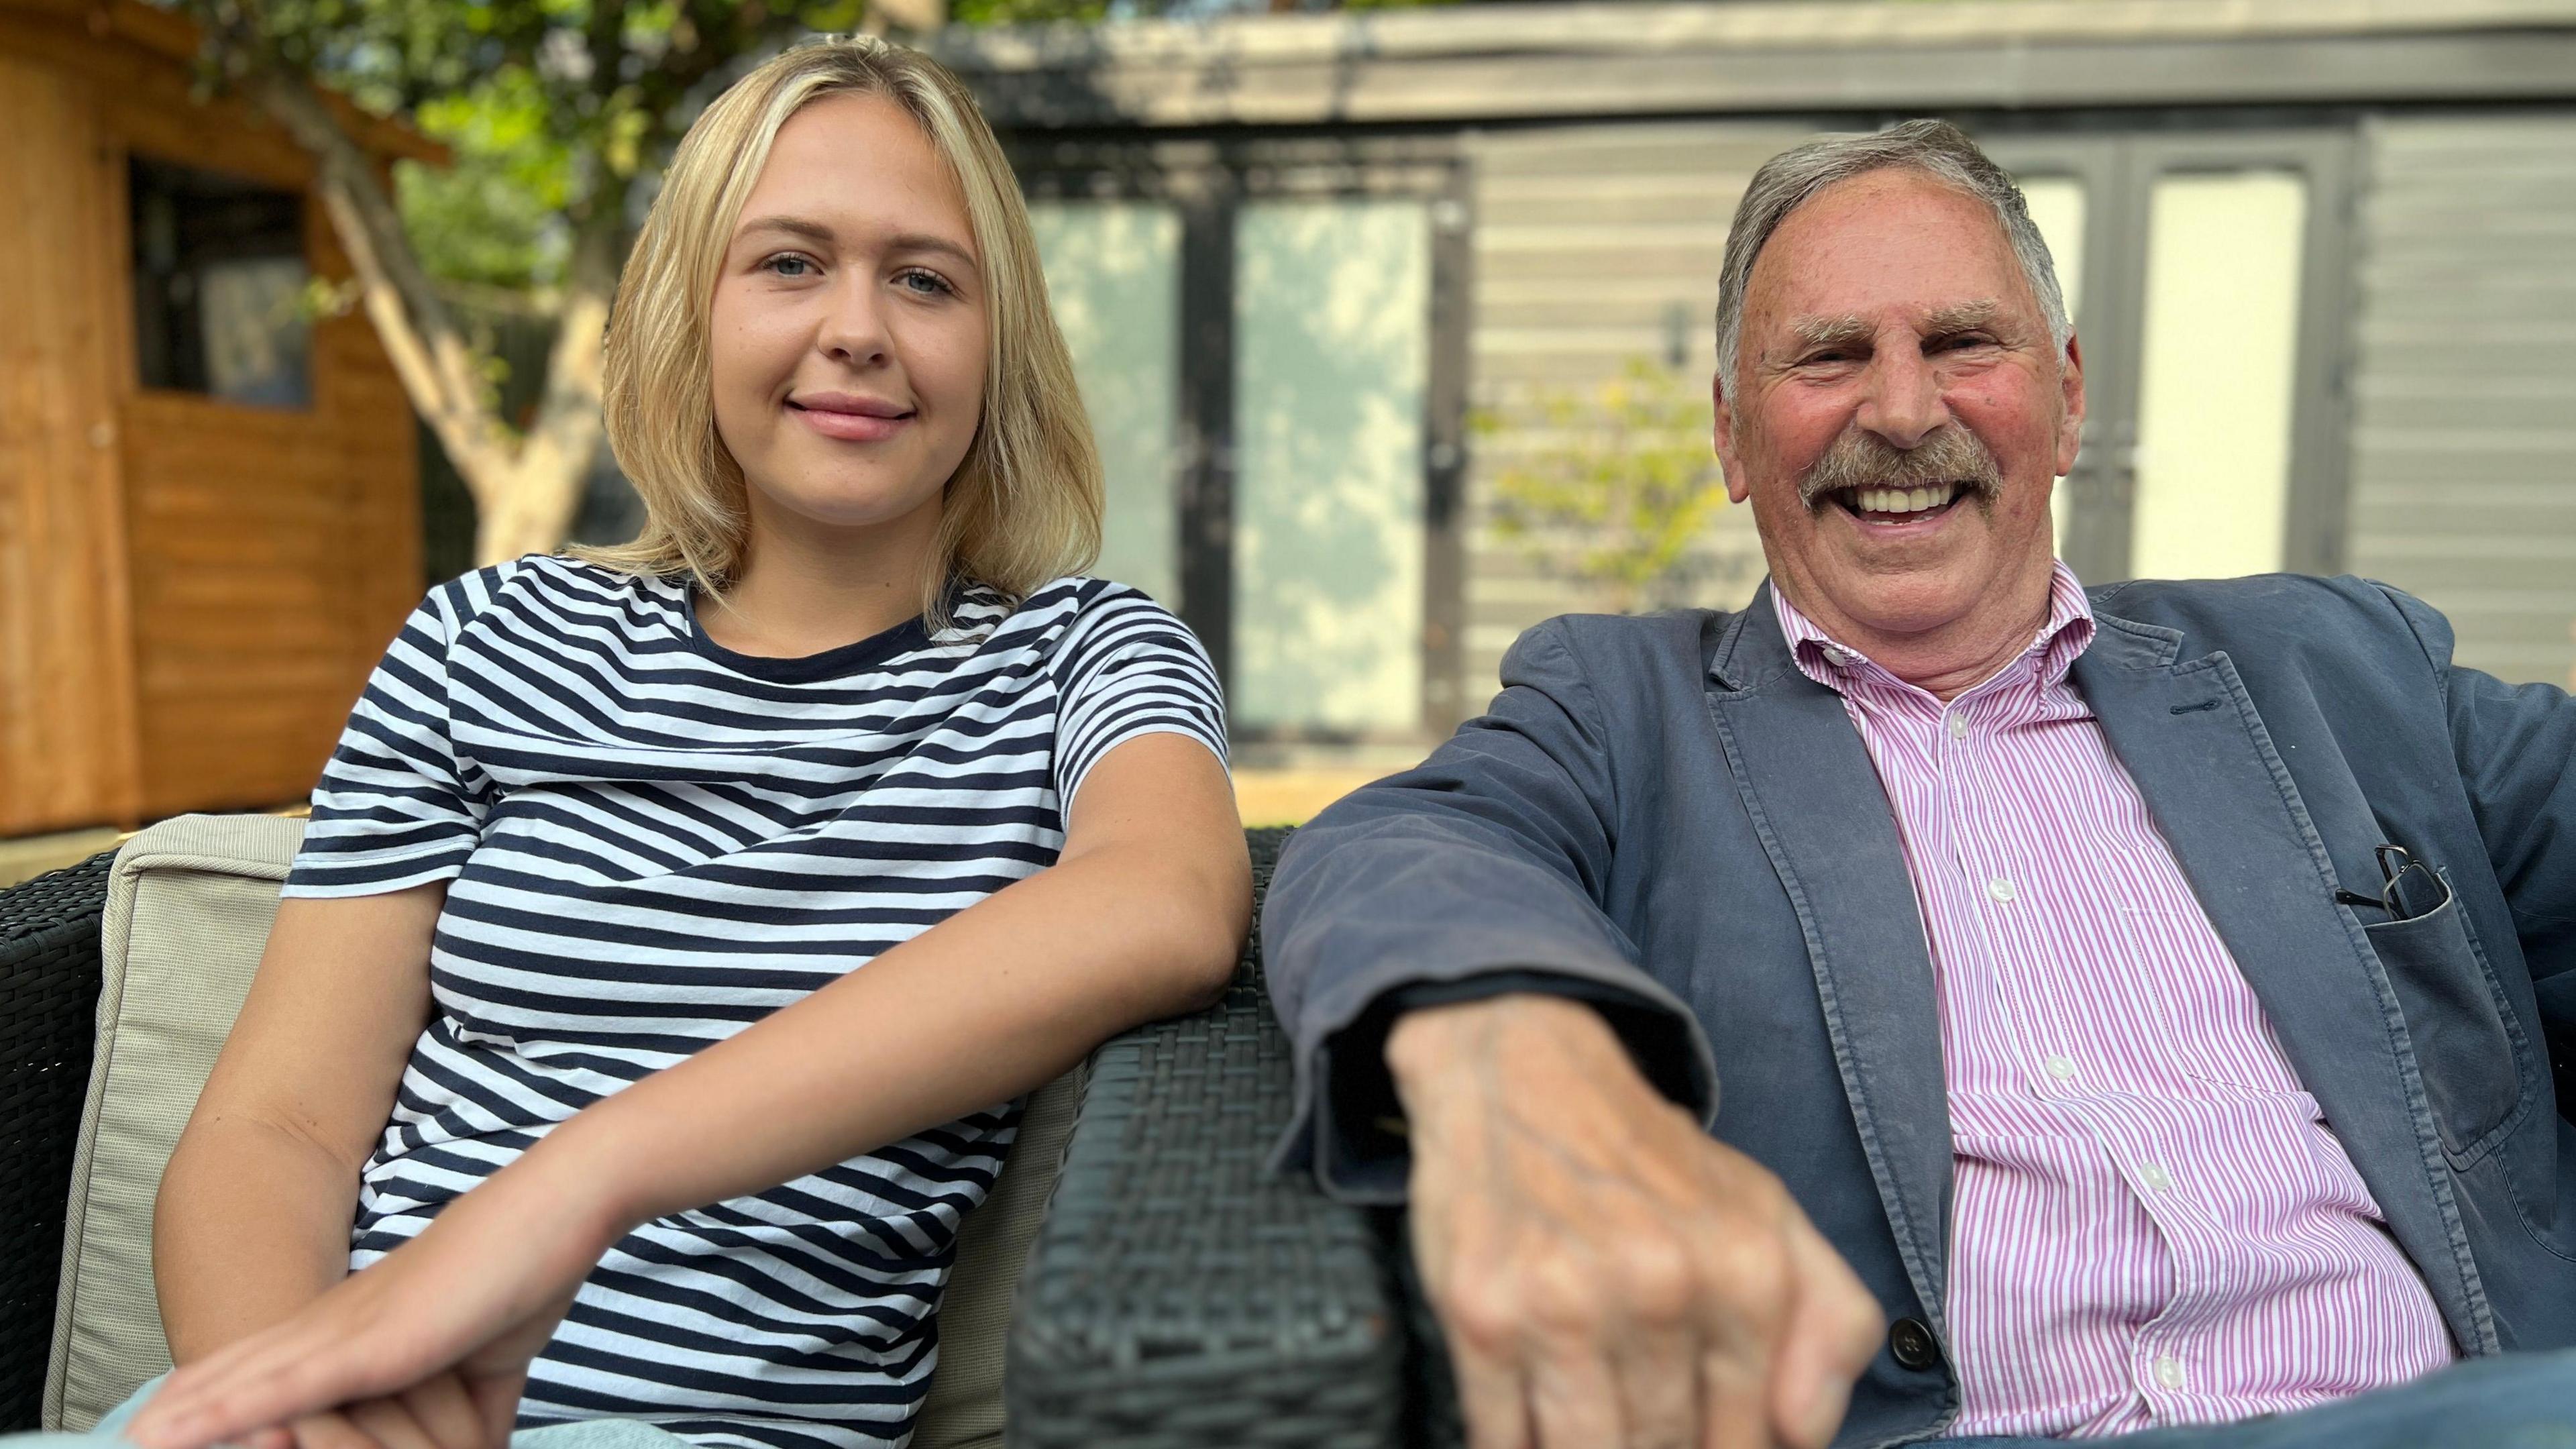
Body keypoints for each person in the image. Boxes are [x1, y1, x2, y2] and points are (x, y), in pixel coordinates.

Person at [1260, 120, 2576, 1449]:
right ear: (1730, 433)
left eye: (1961, 345)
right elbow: (1396, 844)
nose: (1900, 412)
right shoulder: (1626, 713)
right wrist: (1511, 1049)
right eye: (1829, 356)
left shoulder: (2330, 668)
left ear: (2065, 396)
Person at [107, 35, 1249, 1449]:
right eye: (787, 263)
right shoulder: (487, 636)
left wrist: (581, 1180)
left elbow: (1172, 901)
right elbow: (273, 1129)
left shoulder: (1079, 654)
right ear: (689, 312)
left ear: (995, 342)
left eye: (925, 279)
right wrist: (290, 1405)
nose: (859, 327)